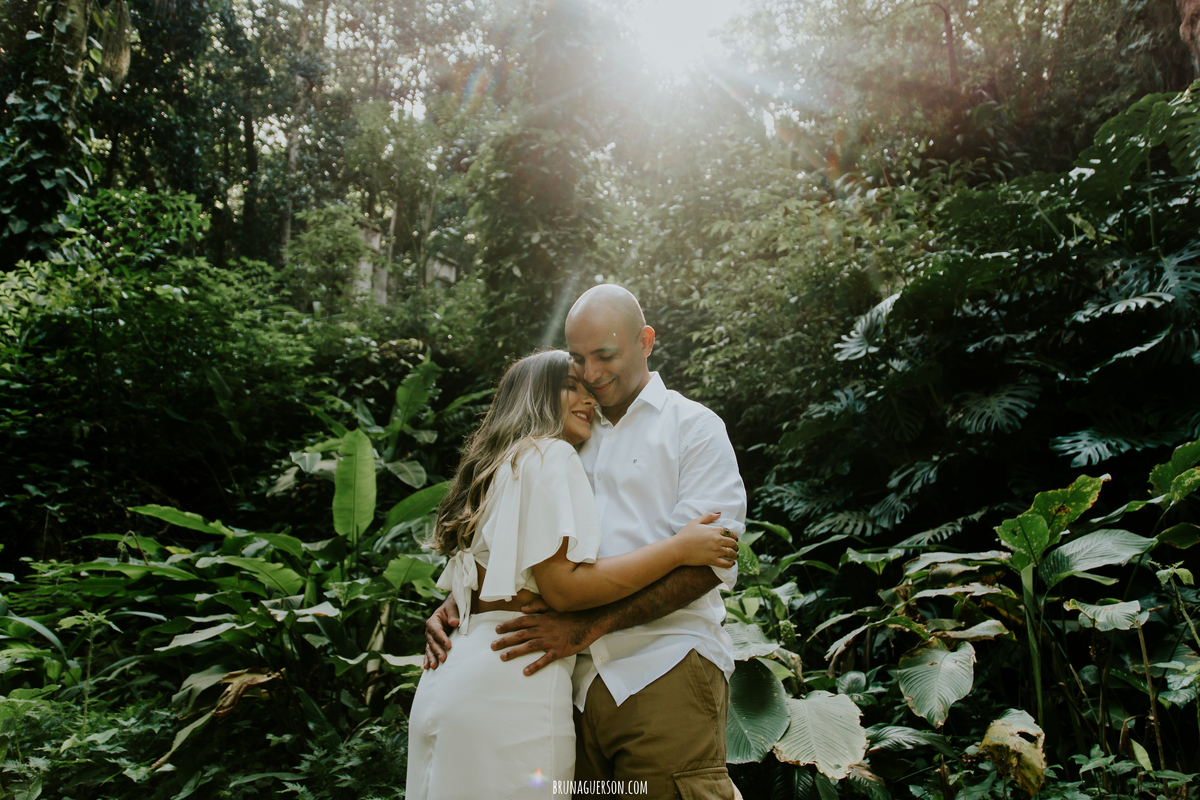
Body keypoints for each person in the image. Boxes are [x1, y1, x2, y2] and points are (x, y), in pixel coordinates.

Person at [425, 285, 747, 799]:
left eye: (605, 356)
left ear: (646, 341)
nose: (592, 375)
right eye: (578, 359)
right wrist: (464, 602)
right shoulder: (566, 430)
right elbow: (524, 537)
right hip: (565, 687)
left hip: (661, 669)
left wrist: (587, 626)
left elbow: (706, 565)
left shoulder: (693, 428)